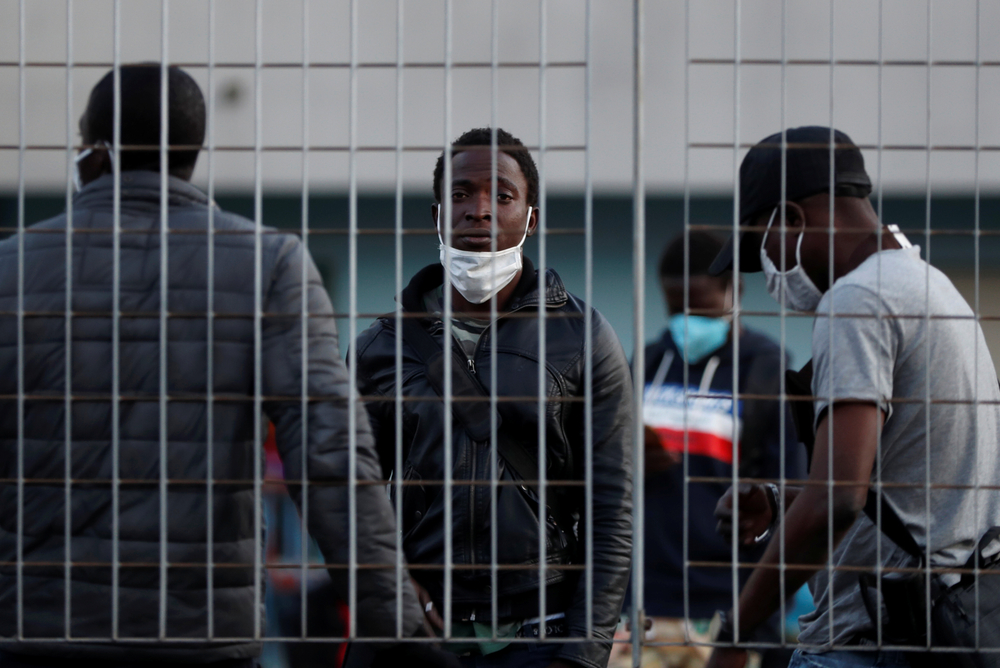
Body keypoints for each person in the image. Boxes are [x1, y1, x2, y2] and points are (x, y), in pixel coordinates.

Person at [0, 64, 429, 666]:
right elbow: (332, 457)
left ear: (94, 152)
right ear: (193, 151)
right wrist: (400, 631)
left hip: (39, 629)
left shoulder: (12, 269)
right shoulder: (267, 265)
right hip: (198, 635)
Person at [703, 126, 1000, 668]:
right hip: (942, 628)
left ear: (790, 219)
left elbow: (837, 498)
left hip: (867, 642)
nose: (768, 270)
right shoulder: (932, 287)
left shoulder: (857, 299)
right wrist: (780, 497)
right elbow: (907, 487)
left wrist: (736, 632)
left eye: (761, 247)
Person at [354, 127, 634, 668]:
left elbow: (612, 508)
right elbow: (346, 491)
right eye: (460, 194)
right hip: (418, 638)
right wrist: (386, 586)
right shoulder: (377, 347)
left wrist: (584, 652)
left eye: (501, 195)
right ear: (438, 213)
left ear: (529, 217)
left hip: (541, 636)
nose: (479, 211)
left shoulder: (583, 337)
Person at [609, 231, 806, 668]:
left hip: (728, 605)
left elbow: (793, 494)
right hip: (644, 602)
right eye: (676, 306)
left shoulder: (766, 370)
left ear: (734, 292)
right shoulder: (647, 362)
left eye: (699, 304)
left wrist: (759, 618)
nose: (686, 318)